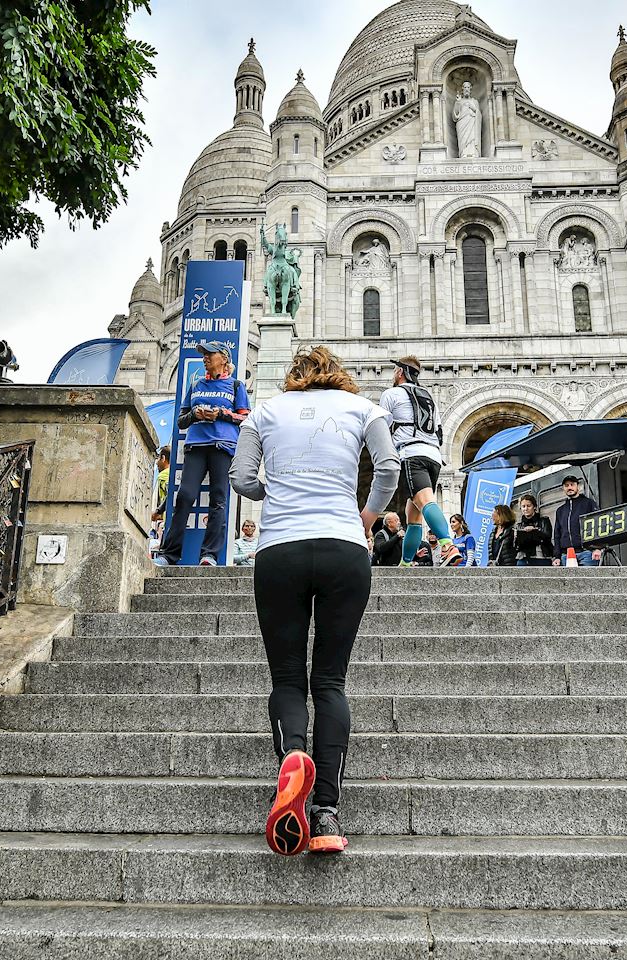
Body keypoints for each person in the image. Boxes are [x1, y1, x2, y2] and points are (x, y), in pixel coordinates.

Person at [230, 345, 399, 857]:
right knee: (329, 681)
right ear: (339, 375)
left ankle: (294, 759)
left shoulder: (264, 412)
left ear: (293, 377)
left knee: (286, 678)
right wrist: (367, 517)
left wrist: (273, 491)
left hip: (280, 548)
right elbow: (390, 469)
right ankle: (325, 811)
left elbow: (240, 479)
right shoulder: (364, 409)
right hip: (344, 547)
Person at [155, 342, 250, 566]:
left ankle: (209, 555)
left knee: (218, 499)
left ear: (224, 358)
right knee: (185, 496)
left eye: (210, 354)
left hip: (223, 447)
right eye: (203, 355)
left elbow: (245, 418)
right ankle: (169, 554)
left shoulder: (236, 386)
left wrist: (221, 414)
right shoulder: (196, 384)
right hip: (195, 446)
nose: (205, 358)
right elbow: (181, 421)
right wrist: (196, 415)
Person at [380, 356, 460, 566]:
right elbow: (439, 431)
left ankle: (447, 546)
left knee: (425, 502)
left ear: (400, 373)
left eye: (394, 370)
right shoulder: (428, 396)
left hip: (411, 454)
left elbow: (382, 429)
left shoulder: (391, 394)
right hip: (433, 455)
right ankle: (406, 563)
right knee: (412, 516)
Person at [551, 474, 597, 565]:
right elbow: (557, 535)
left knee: (587, 579)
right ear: (563, 488)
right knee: (569, 580)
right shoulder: (560, 510)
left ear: (578, 486)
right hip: (566, 555)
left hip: (587, 552)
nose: (569, 487)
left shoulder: (589, 503)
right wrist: (557, 556)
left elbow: (597, 526)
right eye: (566, 485)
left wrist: (597, 548)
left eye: (572, 484)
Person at [513, 493, 554, 566]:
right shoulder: (518, 525)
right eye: (523, 506)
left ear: (534, 507)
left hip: (541, 558)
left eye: (528, 506)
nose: (526, 509)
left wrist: (535, 530)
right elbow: (515, 545)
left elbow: (547, 537)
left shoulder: (544, 520)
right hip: (523, 558)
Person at [151, 445, 171, 522]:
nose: (156, 463)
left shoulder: (164, 475)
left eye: (158, 458)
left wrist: (158, 511)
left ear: (163, 458)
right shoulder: (174, 474)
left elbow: (171, 494)